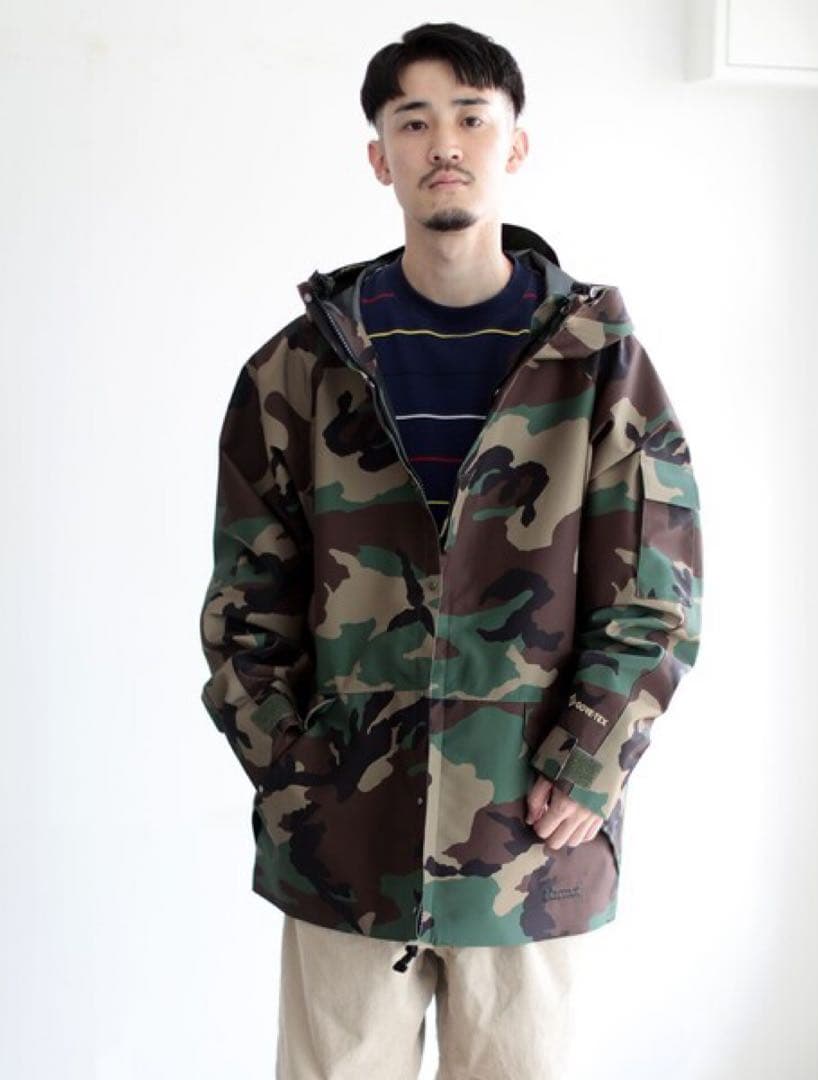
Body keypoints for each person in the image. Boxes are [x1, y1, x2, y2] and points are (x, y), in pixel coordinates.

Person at [198, 20, 703, 1079]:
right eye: (414, 121)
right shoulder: (298, 370)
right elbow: (245, 608)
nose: (445, 144)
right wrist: (297, 777)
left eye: (472, 118)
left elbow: (655, 594)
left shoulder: (596, 363)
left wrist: (589, 764)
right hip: (344, 849)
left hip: (531, 850)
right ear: (379, 156)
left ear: (514, 144)